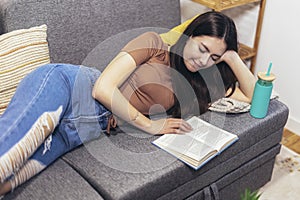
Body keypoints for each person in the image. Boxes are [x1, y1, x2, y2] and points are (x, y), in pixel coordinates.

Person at [0, 11, 255, 195]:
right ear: (189, 36)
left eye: (213, 57)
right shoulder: (154, 43)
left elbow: (253, 97)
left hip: (79, 132)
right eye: (202, 48)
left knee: (10, 182)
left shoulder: (199, 86)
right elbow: (103, 88)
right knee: (5, 160)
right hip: (70, 87)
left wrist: (232, 57)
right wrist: (150, 125)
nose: (203, 60)